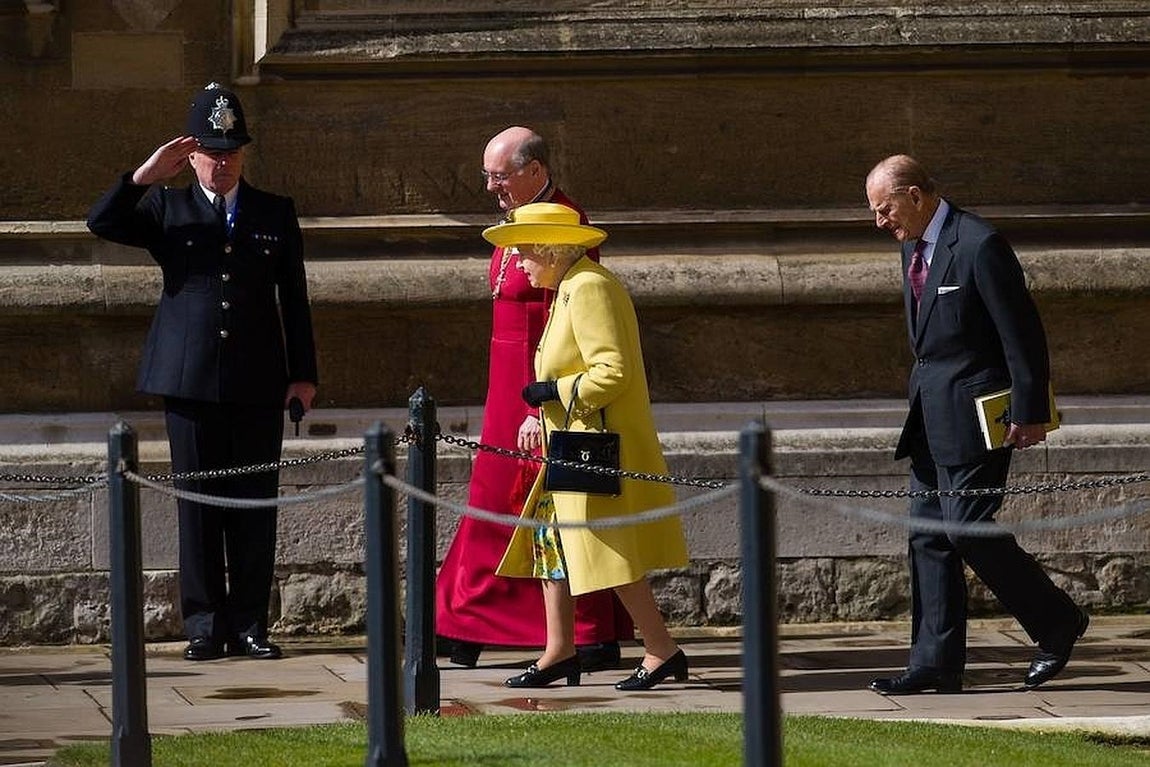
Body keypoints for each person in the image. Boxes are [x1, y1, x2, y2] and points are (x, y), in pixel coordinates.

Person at [87, 83, 318, 661]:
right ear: (190, 155)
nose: (222, 161)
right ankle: (203, 623)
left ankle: (248, 623)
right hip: (188, 379)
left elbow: (294, 296)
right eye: (212, 151)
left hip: (258, 379)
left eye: (231, 150)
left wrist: (303, 374)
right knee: (197, 504)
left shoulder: (273, 211)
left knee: (252, 503)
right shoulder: (168, 208)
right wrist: (143, 175)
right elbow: (102, 222)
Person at [863, 154, 1087, 694]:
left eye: (884, 208)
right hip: (927, 417)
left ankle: (1057, 621)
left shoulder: (980, 244)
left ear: (915, 195)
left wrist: (1030, 411)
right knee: (929, 538)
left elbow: (1022, 334)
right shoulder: (912, 246)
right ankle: (935, 664)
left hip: (977, 417)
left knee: (968, 531)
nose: (879, 222)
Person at [434, 127, 633, 669]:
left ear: (536, 171)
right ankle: (467, 621)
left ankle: (586, 634)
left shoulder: (565, 222)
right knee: (496, 503)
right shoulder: (518, 216)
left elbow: (568, 324)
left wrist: (539, 405)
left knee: (555, 506)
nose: (492, 188)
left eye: (500, 176)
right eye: (487, 177)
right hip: (506, 385)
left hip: (537, 391)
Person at [485, 202, 690, 691]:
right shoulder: (567, 288)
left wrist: (551, 394)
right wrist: (540, 413)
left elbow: (611, 372)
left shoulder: (590, 287)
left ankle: (661, 650)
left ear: (549, 248)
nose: (518, 263)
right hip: (571, 442)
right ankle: (560, 651)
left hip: (594, 446)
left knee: (609, 554)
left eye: (522, 253)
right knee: (552, 544)